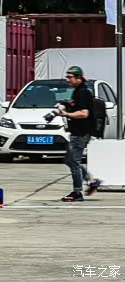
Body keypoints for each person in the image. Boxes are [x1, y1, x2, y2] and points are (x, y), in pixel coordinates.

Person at [59, 66, 102, 201]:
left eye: (70, 77)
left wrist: (66, 114)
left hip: (81, 132)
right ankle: (92, 181)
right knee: (69, 159)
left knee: (74, 162)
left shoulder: (83, 92)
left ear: (78, 78)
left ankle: (77, 192)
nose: (68, 80)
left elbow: (84, 113)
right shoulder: (77, 91)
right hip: (76, 131)